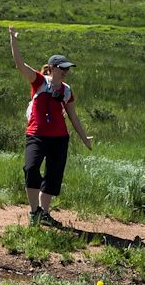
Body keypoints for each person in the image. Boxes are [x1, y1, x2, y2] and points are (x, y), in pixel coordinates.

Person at [8, 26, 92, 227]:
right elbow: (20, 65)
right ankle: (34, 211)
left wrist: (84, 138)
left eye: (67, 69)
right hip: (36, 135)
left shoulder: (66, 91)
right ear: (53, 68)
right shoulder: (38, 81)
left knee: (53, 175)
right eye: (63, 68)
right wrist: (14, 41)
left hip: (59, 138)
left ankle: (44, 213)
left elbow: (73, 117)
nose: (66, 72)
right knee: (31, 168)